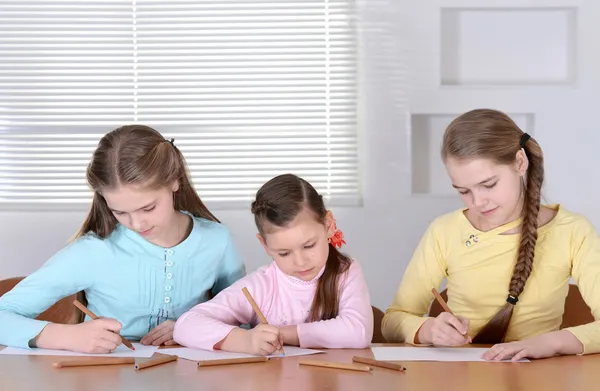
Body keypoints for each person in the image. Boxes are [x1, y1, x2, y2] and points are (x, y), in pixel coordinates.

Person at [0, 125, 245, 353]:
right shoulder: (93, 251)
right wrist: (65, 337)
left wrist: (193, 329)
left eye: (148, 208)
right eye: (119, 212)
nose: (137, 224)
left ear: (174, 181)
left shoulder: (217, 241)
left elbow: (244, 315)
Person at [382, 109, 600, 361]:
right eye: (463, 191)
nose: (478, 202)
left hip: (539, 377)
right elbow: (393, 320)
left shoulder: (573, 231)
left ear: (520, 162)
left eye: (488, 185)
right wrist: (428, 330)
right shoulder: (444, 231)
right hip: (461, 377)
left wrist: (551, 343)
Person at [173, 174, 373, 355]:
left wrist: (283, 334)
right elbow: (186, 325)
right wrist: (245, 340)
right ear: (265, 245)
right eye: (284, 253)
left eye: (309, 245)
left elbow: (359, 331)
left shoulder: (345, 272)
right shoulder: (260, 286)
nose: (300, 261)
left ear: (328, 225)